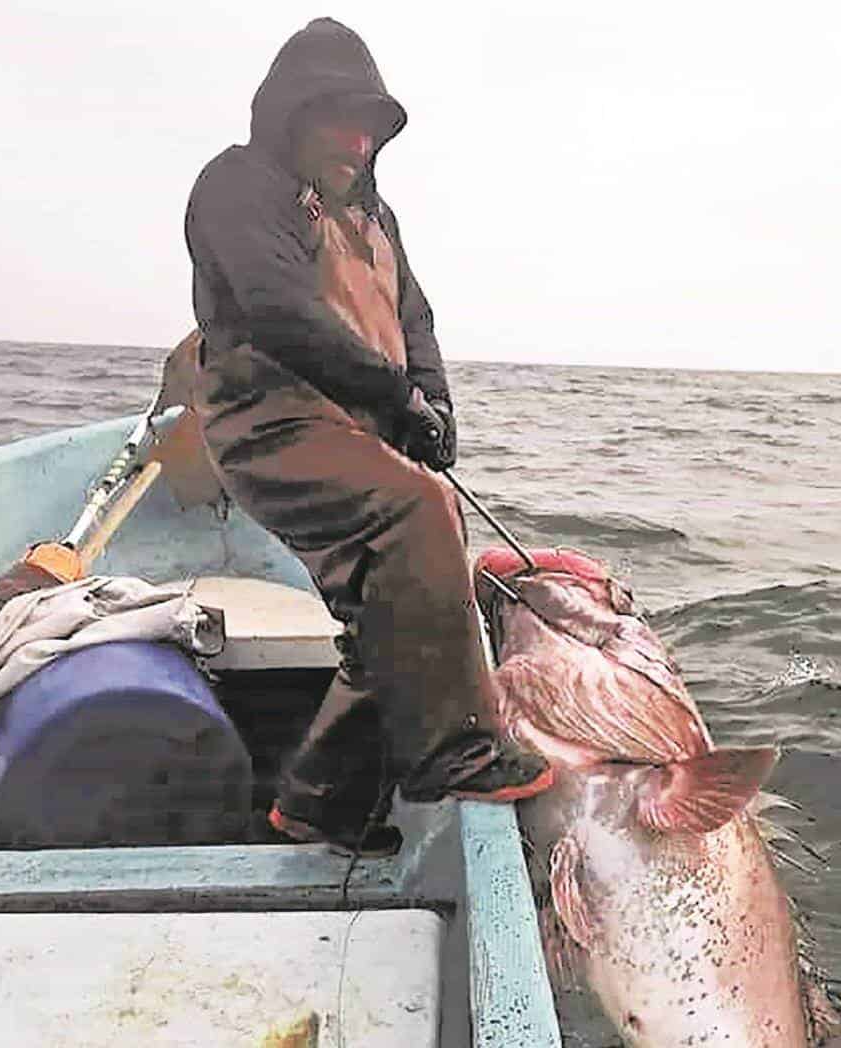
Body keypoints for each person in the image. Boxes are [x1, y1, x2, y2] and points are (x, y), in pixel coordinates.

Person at [182, 18, 552, 855]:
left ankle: (319, 802)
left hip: (358, 424)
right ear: (290, 115)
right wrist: (395, 396)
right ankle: (454, 754)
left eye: (370, 127)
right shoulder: (237, 185)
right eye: (337, 119)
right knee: (416, 517)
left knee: (396, 603)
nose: (356, 140)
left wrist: (435, 404)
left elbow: (413, 318)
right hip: (269, 420)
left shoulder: (379, 217)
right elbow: (280, 310)